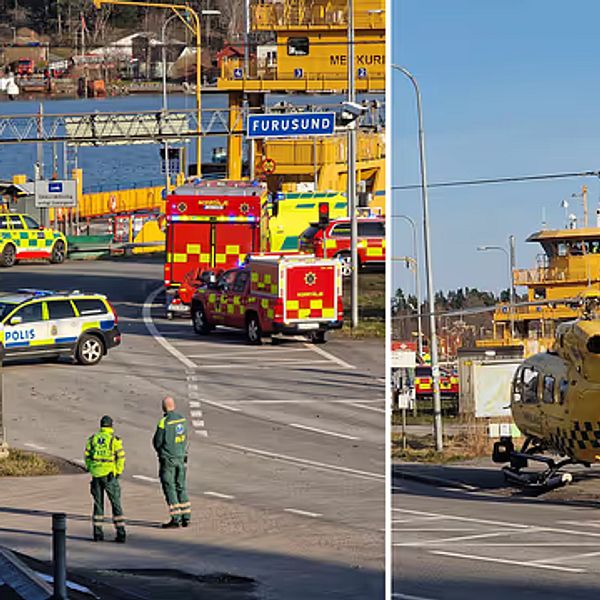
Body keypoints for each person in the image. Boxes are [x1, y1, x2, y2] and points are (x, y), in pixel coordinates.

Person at [84, 415, 126, 543]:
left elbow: (87, 456)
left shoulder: (93, 439)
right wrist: (117, 472)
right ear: (111, 426)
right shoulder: (114, 440)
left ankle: (97, 533)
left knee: (98, 505)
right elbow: (121, 457)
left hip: (96, 475)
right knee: (116, 504)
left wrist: (92, 469)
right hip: (109, 476)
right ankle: (120, 533)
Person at [152, 396, 191, 528]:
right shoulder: (182, 419)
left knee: (170, 487)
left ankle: (176, 518)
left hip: (168, 459)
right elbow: (185, 437)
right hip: (181, 457)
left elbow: (157, 441)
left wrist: (161, 452)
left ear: (163, 407)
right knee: (181, 486)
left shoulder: (164, 422)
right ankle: (186, 516)